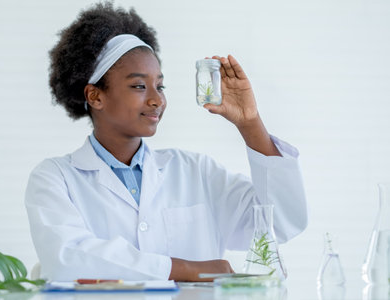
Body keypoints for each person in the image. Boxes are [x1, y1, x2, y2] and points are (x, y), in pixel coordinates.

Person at [25, 2, 307, 282]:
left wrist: (250, 123)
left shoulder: (196, 171)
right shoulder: (55, 178)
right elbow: (69, 259)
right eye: (139, 86)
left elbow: (280, 224)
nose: (156, 99)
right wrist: (188, 270)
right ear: (95, 96)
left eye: (160, 86)